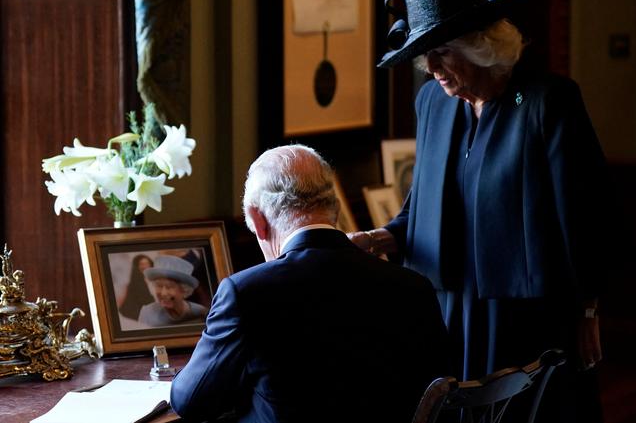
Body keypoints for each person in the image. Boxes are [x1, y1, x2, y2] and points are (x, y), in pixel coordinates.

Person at [349, 0, 619, 422]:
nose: (431, 69)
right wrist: (382, 236)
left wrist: (587, 309)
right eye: (425, 55)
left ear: (481, 47)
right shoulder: (432, 104)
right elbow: (422, 202)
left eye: (441, 52)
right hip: (447, 308)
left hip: (523, 314)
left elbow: (585, 216)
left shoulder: (547, 102)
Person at [171, 145, 450, 423]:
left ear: (258, 221)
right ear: (335, 208)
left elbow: (190, 401)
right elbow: (438, 394)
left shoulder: (245, 293)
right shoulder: (413, 287)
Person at [137, 255, 208, 327]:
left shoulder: (200, 312)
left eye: (169, 287)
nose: (163, 293)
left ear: (184, 290)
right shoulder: (147, 313)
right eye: (159, 286)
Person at [118, 254, 154, 320]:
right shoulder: (133, 281)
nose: (144, 266)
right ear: (137, 266)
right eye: (141, 264)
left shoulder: (155, 280)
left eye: (146, 263)